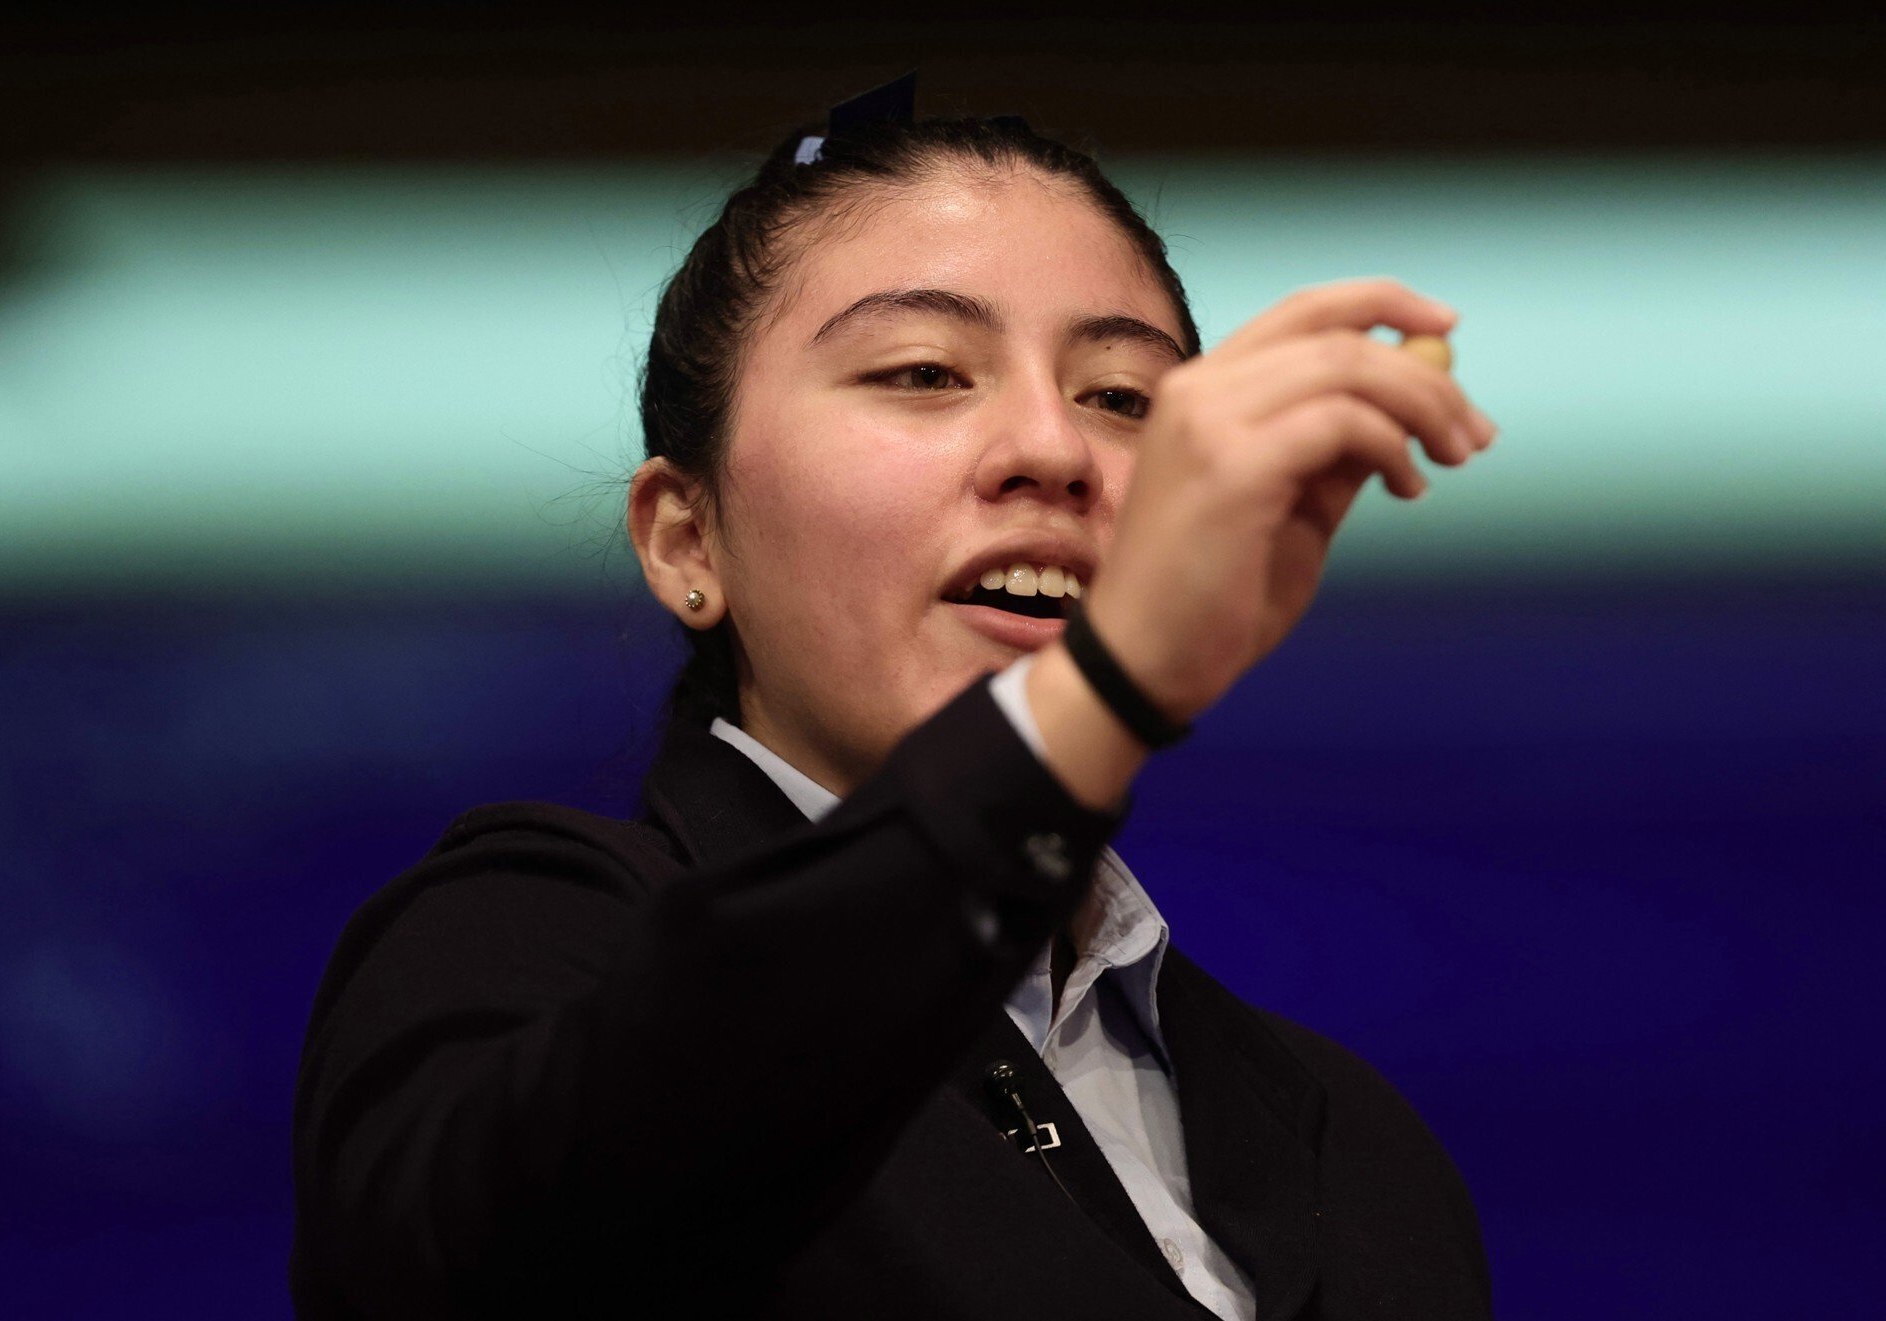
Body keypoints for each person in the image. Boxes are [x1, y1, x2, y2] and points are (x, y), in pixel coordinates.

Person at [290, 103, 1499, 1320]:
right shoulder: (522, 943)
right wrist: (1101, 693)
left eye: (1124, 397)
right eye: (923, 372)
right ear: (686, 537)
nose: (1054, 449)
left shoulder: (1360, 1142)